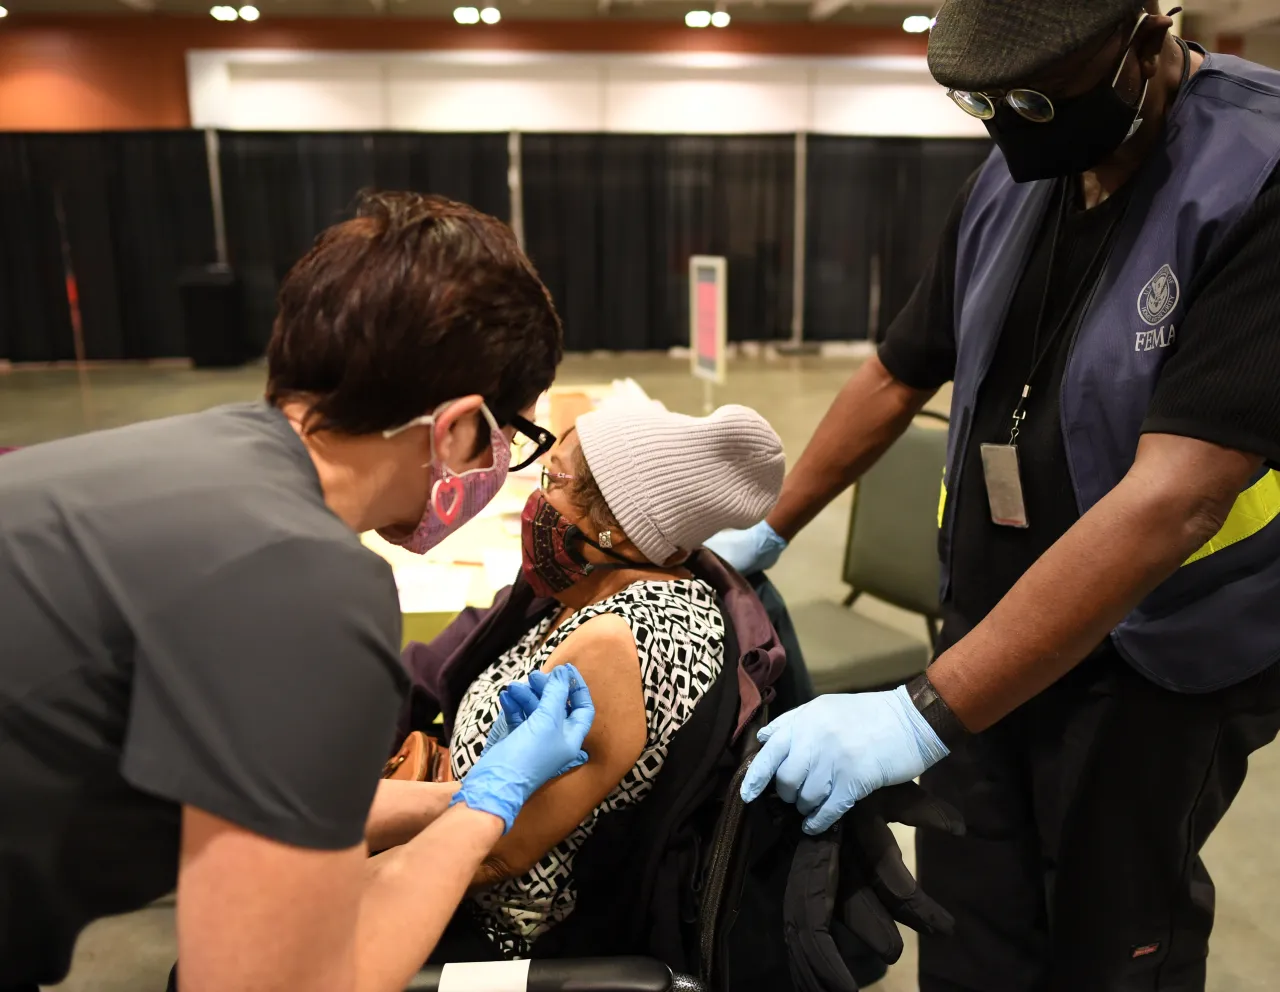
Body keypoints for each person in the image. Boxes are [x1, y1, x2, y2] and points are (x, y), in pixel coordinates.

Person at [710, 3, 1280, 989]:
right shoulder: (1013, 174)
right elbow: (894, 373)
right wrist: (765, 528)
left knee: (1111, 946)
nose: (1016, 131)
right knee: (968, 926)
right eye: (983, 105)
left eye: (1037, 101)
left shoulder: (1255, 171)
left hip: (1151, 658)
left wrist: (916, 716)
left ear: (1148, 39)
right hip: (981, 627)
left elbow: (1175, 498)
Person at [0, 192, 598, 992]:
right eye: (510, 439)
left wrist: (463, 796)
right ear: (456, 429)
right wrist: (487, 812)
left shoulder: (206, 454)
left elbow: (259, 807)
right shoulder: (305, 582)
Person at [423, 404, 784, 959]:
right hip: (440, 855)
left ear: (617, 524)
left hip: (489, 939)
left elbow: (497, 856)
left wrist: (345, 871)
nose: (536, 500)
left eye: (553, 478)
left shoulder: (612, 646)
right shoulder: (594, 588)